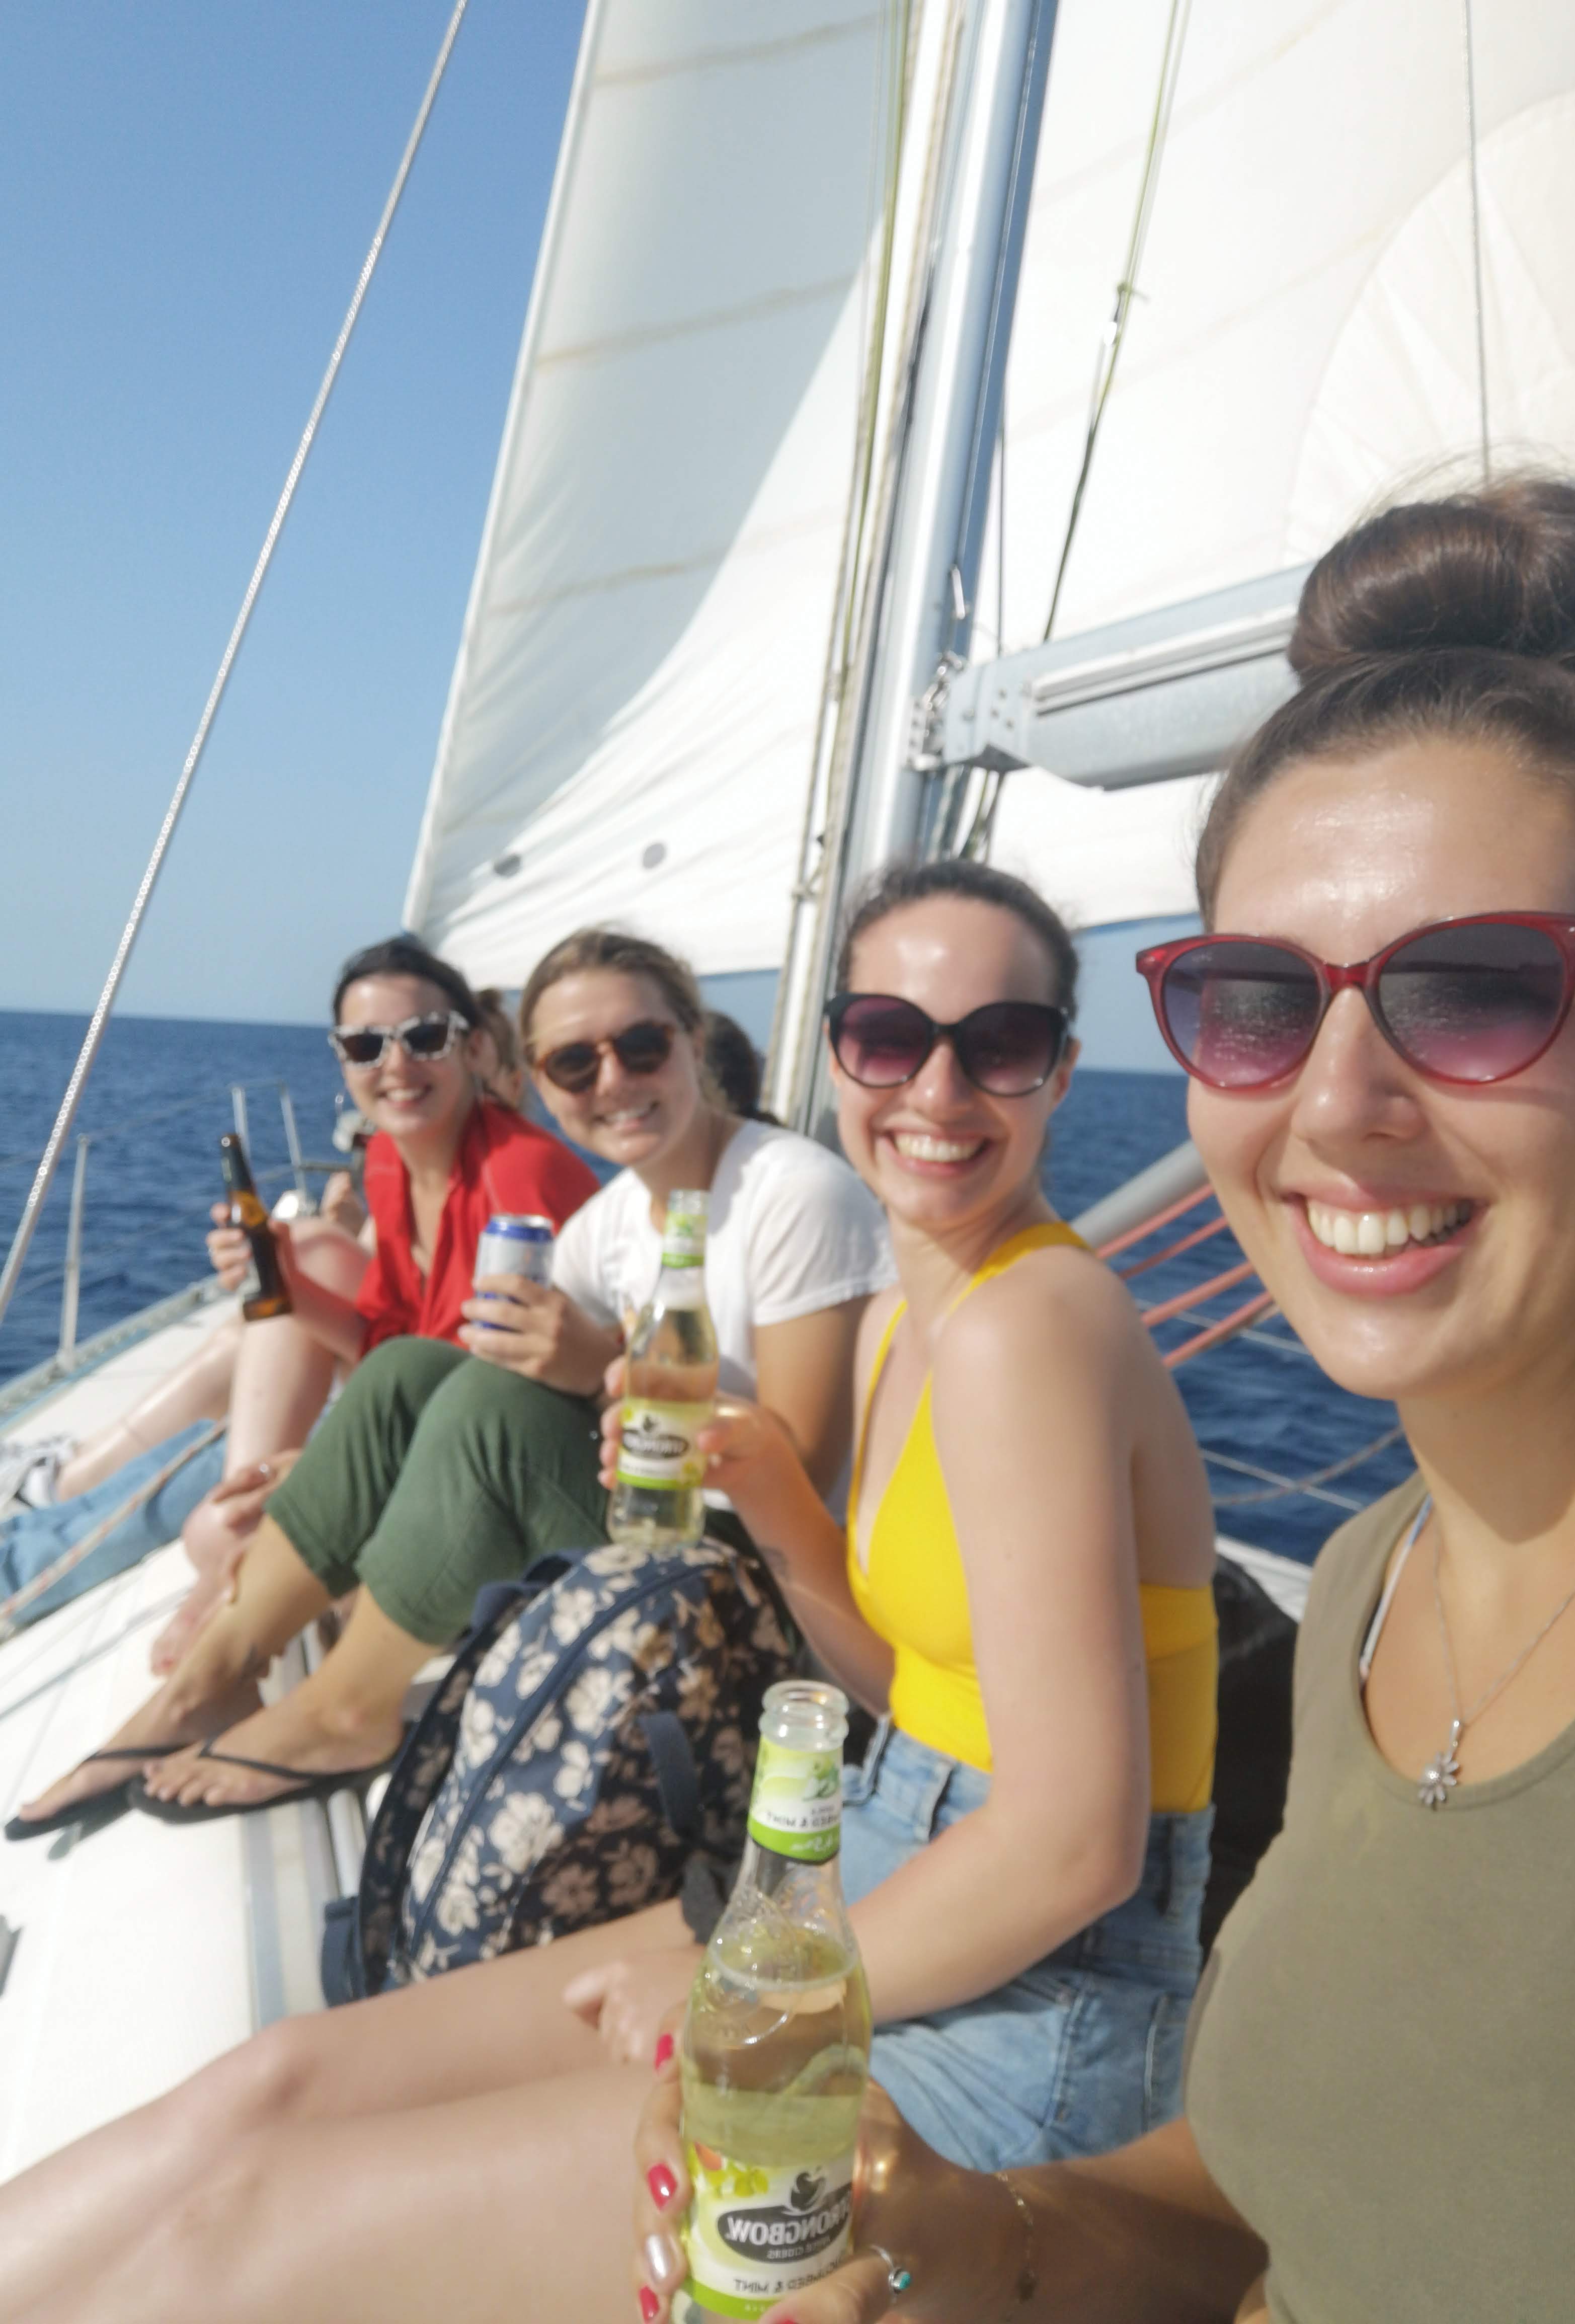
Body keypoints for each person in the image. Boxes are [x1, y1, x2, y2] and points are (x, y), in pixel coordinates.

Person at [625, 477, 1575, 2324]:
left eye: (1476, 990)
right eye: (1256, 1000)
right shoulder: (1370, 1582)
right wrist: (973, 2236)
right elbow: (1271, 2193)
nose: (1337, 1099)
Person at [0, 865, 1218, 2321]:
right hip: (880, 1877)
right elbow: (910, 1691)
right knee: (265, 2088)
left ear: (1062, 1070)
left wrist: (730, 1996)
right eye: (891, 1036)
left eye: (999, 1043)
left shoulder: (1035, 1321)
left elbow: (1077, 1847)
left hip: (1030, 2006)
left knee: (234, 2228)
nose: (937, 1089)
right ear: (837, 1052)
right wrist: (774, 1497)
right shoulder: (918, 1311)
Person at [14, 929, 888, 1831]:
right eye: (575, 1062)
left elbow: (800, 1471)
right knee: (406, 1371)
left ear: (694, 1041)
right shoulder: (611, 1223)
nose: (613, 1080)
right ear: (538, 1077)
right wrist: (328, 1472)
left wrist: (597, 1370)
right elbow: (441, 1374)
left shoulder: (790, 1194)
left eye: (642, 1045)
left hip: (765, 1602)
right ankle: (206, 1678)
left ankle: (346, 1711)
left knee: (483, 1400)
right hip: (650, 1533)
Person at [7, 937, 598, 1832]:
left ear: (475, 1046)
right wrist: (281, 1281)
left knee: (219, 1523)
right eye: (365, 1045)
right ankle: (177, 1654)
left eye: (423, 1036)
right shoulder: (389, 1165)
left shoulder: (523, 1177)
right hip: (425, 1434)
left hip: (491, 1502)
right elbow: (391, 1349)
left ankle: (125, 1600)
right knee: (231, 1500)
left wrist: (325, 1463)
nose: (394, 1064)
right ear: (341, 1059)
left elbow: (498, 1406)